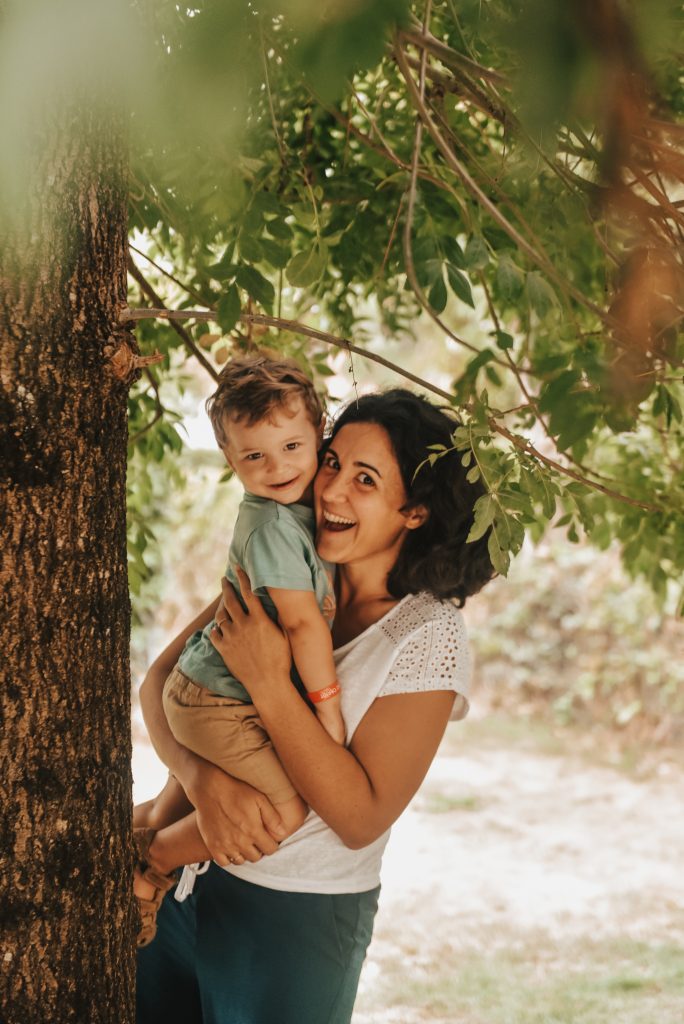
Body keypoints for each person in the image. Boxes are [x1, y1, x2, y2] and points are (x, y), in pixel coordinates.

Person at [136, 388, 495, 1024]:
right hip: (181, 893)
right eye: (332, 463)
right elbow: (161, 680)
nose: (330, 492)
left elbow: (360, 816)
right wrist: (202, 782)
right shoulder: (286, 562)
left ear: (412, 510)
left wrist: (273, 686)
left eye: (365, 479)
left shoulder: (426, 636)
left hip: (295, 920)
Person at [133, 354, 345, 947]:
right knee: (284, 811)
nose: (276, 467)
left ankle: (142, 828)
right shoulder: (276, 527)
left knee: (198, 799)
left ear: (318, 437)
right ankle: (153, 863)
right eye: (254, 456)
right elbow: (303, 628)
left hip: (215, 688)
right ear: (231, 460)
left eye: (292, 447)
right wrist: (327, 712)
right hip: (218, 700)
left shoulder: (298, 515)